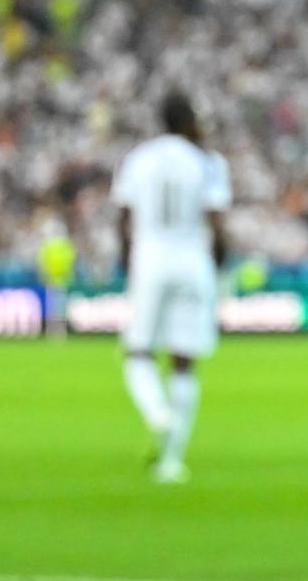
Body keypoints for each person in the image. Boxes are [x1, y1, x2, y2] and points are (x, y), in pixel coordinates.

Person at [112, 92, 231, 484]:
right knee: (184, 361)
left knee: (138, 352)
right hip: (193, 261)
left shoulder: (139, 158)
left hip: (150, 259)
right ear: (187, 120)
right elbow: (217, 223)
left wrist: (127, 261)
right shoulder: (207, 161)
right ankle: (171, 461)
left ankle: (156, 412)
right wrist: (216, 267)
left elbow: (123, 217)